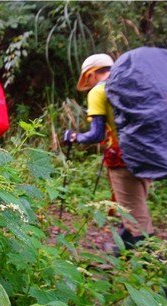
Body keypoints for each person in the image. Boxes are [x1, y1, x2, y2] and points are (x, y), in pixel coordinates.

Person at [63, 53, 154, 250]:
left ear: (91, 74)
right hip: (149, 152)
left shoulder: (99, 91)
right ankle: (126, 242)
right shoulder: (134, 84)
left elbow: (95, 135)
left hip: (123, 157)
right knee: (137, 202)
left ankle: (148, 256)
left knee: (134, 209)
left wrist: (73, 137)